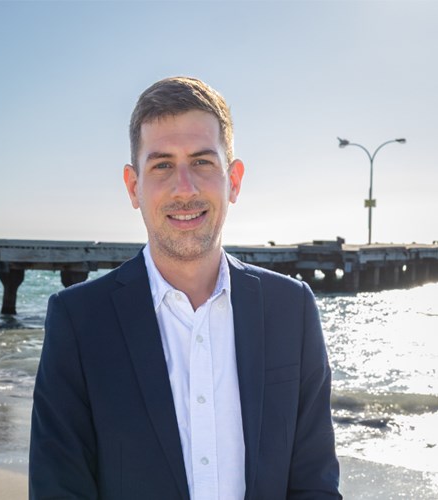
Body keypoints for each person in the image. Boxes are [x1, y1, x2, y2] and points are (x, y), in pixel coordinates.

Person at [29, 76, 342, 499]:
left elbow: (315, 483)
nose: (184, 188)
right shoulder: (79, 320)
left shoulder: (291, 309)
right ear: (133, 187)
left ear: (234, 180)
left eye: (202, 162)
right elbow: (58, 489)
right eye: (162, 165)